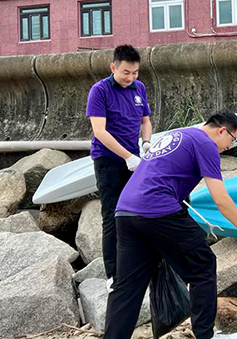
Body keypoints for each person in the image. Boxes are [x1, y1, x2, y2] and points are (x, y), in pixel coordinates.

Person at [94, 110, 237, 339]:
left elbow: (163, 175)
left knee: (126, 289)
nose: (229, 147)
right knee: (202, 265)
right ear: (221, 130)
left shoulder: (176, 135)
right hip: (156, 210)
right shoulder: (206, 143)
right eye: (231, 139)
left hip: (126, 212)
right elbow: (219, 195)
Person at [86, 44, 153, 284]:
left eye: (135, 72)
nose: (130, 77)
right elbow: (99, 131)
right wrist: (127, 156)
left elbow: (146, 121)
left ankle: (135, 263)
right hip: (108, 160)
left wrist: (145, 143)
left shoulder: (139, 88)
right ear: (113, 67)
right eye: (126, 72)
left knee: (135, 212)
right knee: (113, 215)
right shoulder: (99, 90)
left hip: (133, 159)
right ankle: (113, 275)